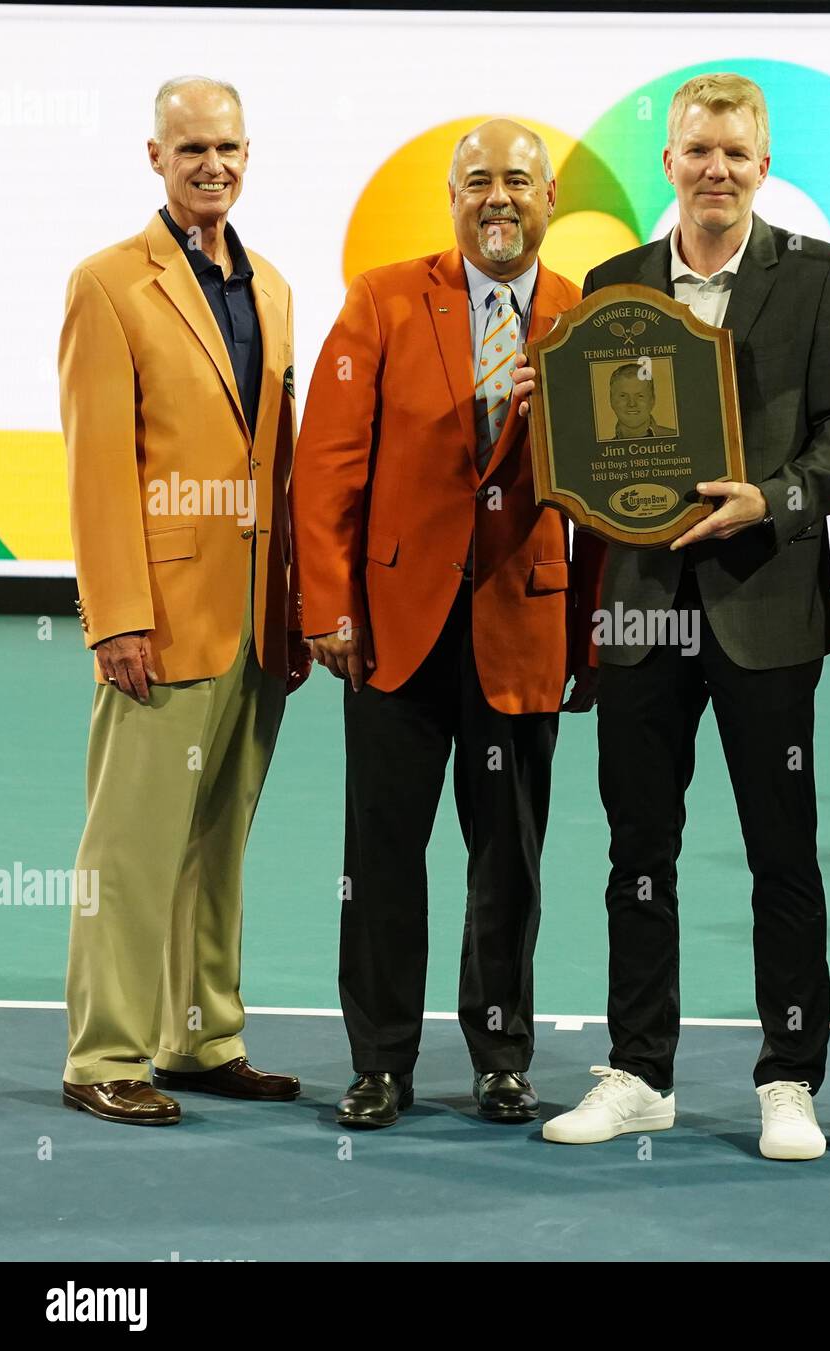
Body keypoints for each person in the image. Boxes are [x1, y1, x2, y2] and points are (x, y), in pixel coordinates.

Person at [523, 74, 830, 1160]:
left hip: (766, 606)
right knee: (638, 847)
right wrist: (554, 427)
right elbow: (585, 464)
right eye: (695, 151)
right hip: (636, 613)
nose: (714, 169)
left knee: (784, 852)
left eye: (733, 152)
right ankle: (639, 1070)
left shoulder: (821, 278)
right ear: (666, 164)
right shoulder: (611, 284)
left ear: (762, 165)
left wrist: (774, 497)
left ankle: (789, 1076)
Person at [293, 119, 596, 1130]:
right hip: (393, 628)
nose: (497, 198)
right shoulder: (383, 298)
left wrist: (588, 639)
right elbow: (326, 468)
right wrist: (328, 606)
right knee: (380, 856)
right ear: (452, 200)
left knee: (507, 859)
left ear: (550, 197)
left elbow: (606, 503)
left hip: (523, 629)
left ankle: (501, 1059)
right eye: (477, 183)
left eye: (517, 180)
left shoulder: (587, 317)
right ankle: (379, 1062)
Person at [58, 76, 309, 1126]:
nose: (213, 164)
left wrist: (296, 606)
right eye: (192, 147)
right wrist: (116, 612)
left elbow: (282, 465)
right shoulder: (109, 284)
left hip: (255, 614)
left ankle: (203, 1036)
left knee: (218, 841)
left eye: (229, 148)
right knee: (130, 845)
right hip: (159, 617)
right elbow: (96, 466)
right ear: (154, 158)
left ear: (248, 158)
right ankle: (104, 1054)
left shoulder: (277, 288)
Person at [607, 363, 677, 438]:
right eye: (623, 396)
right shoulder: (603, 447)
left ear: (652, 400)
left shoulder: (676, 438)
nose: (632, 404)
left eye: (640, 396)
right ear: (611, 400)